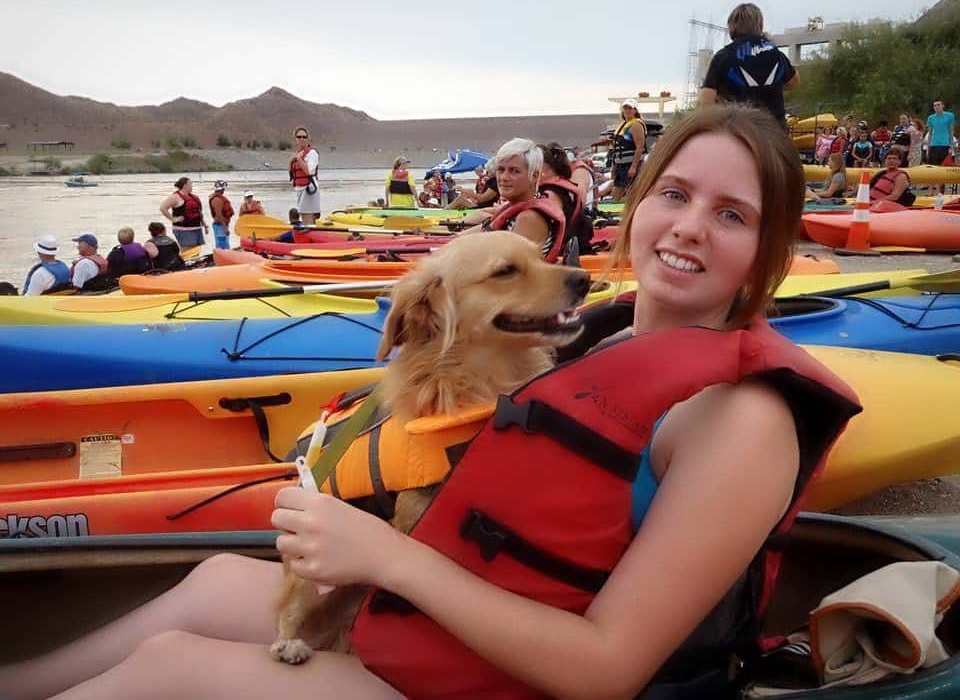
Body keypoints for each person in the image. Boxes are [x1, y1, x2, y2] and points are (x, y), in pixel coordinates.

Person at [0, 106, 862, 700]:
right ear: (639, 205)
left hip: (540, 680)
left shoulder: (742, 420)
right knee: (218, 579)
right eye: (674, 194)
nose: (687, 226)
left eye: (731, 215)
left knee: (172, 665)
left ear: (768, 251)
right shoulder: (591, 341)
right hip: (463, 624)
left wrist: (385, 557)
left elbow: (607, 669)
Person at [698, 2, 799, 124]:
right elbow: (794, 81)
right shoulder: (776, 53)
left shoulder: (724, 56)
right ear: (760, 25)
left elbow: (706, 101)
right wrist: (767, 89)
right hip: (775, 132)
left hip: (739, 130)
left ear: (732, 26)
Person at [609, 98, 646, 202]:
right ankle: (612, 211)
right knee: (616, 192)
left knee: (633, 191)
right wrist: (614, 166)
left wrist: (634, 166)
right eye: (625, 108)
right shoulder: (623, 125)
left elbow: (640, 147)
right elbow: (616, 149)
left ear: (635, 110)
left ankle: (632, 213)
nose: (627, 110)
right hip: (621, 165)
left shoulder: (636, 125)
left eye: (630, 108)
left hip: (631, 164)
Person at [159, 177, 207, 250]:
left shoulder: (193, 197)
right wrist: (173, 219)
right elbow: (163, 208)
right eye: (190, 184)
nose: (192, 185)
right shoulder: (175, 197)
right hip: (183, 230)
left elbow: (199, 213)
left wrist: (204, 224)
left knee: (196, 251)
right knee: (187, 252)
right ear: (185, 186)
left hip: (197, 228)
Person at [289, 126, 322, 222]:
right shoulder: (298, 154)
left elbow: (309, 171)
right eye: (299, 137)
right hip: (300, 188)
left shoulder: (312, 153)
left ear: (308, 139)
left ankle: (310, 234)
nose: (301, 139)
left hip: (309, 188)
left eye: (304, 137)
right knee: (305, 217)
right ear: (296, 139)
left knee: (307, 218)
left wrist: (299, 159)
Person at [927, 100, 956, 167]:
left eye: (938, 105)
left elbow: (951, 132)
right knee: (933, 166)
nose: (936, 107)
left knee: (944, 166)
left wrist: (951, 146)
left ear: (943, 106)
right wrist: (928, 148)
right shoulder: (930, 118)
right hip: (933, 145)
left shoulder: (950, 116)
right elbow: (930, 134)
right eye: (934, 105)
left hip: (945, 144)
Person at [208, 180, 235, 250]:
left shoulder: (218, 198)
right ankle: (223, 259)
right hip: (220, 226)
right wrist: (225, 228)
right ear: (222, 189)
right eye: (224, 188)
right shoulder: (217, 199)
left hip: (221, 225)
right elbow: (219, 215)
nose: (224, 190)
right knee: (222, 245)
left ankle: (224, 258)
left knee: (224, 244)